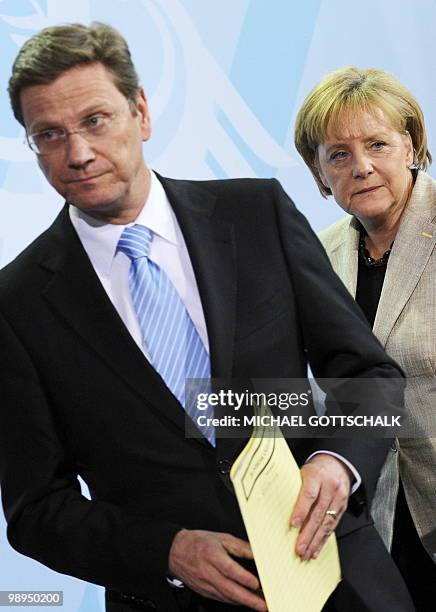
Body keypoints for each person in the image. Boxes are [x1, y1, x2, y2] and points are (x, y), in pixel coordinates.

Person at [0, 24, 414, 612]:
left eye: (95, 120)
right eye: (49, 134)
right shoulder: (16, 304)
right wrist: (164, 552)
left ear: (140, 111)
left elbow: (371, 373)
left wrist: (337, 460)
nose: (79, 153)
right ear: (32, 144)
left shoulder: (256, 212)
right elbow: (36, 509)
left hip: (342, 579)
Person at [294, 65, 436, 611]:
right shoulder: (317, 253)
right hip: (371, 523)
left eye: (377, 144)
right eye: (338, 155)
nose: (363, 167)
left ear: (412, 145)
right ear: (319, 173)